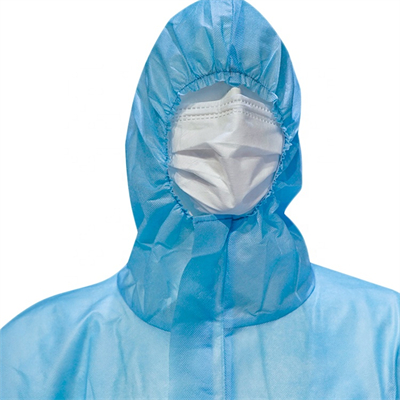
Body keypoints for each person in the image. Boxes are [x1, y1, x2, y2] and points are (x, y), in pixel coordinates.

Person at [1, 0, 399, 399]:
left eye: (255, 102)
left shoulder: (384, 338)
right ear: (151, 135)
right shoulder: (39, 352)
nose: (232, 127)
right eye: (202, 101)